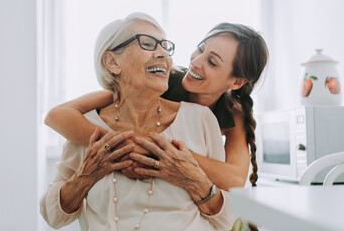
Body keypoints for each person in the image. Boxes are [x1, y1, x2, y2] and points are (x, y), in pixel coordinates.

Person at [40, 12, 237, 231]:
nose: (163, 54)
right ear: (113, 62)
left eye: (165, 46)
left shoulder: (201, 119)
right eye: (148, 43)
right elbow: (52, 216)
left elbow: (228, 221)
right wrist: (85, 176)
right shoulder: (86, 127)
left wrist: (196, 182)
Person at [45, 21, 269, 192]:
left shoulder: (233, 113)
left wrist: (163, 153)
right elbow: (57, 116)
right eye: (200, 49)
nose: (196, 62)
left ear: (236, 82)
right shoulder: (159, 81)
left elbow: (234, 179)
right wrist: (125, 147)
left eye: (212, 62)